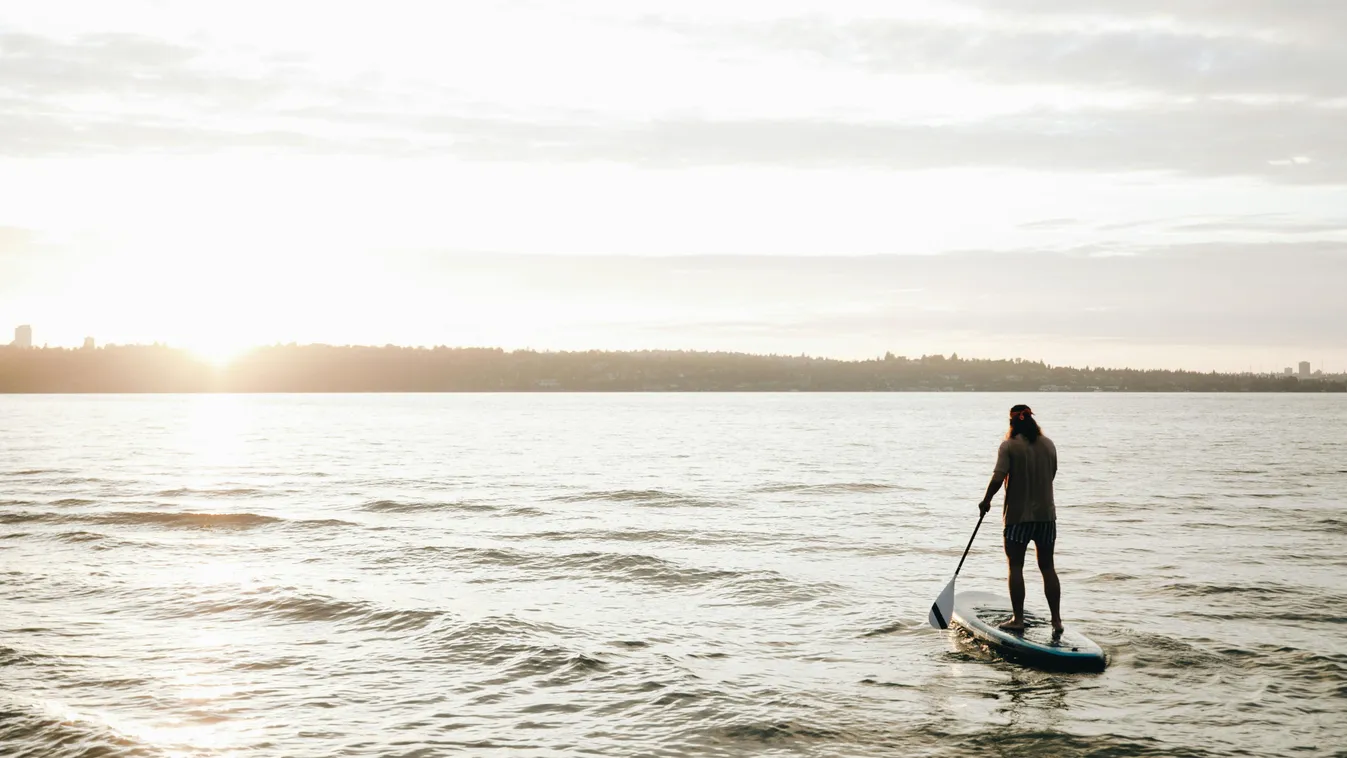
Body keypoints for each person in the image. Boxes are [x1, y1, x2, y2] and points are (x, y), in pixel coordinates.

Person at [977, 404, 1061, 634]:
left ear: (1012, 422)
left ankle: (1018, 619)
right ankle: (1056, 621)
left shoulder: (1009, 446)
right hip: (1046, 516)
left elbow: (998, 477)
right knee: (1047, 567)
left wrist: (986, 500)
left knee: (1016, 567)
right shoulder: (1049, 444)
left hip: (1017, 517)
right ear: (1033, 421)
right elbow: (1052, 474)